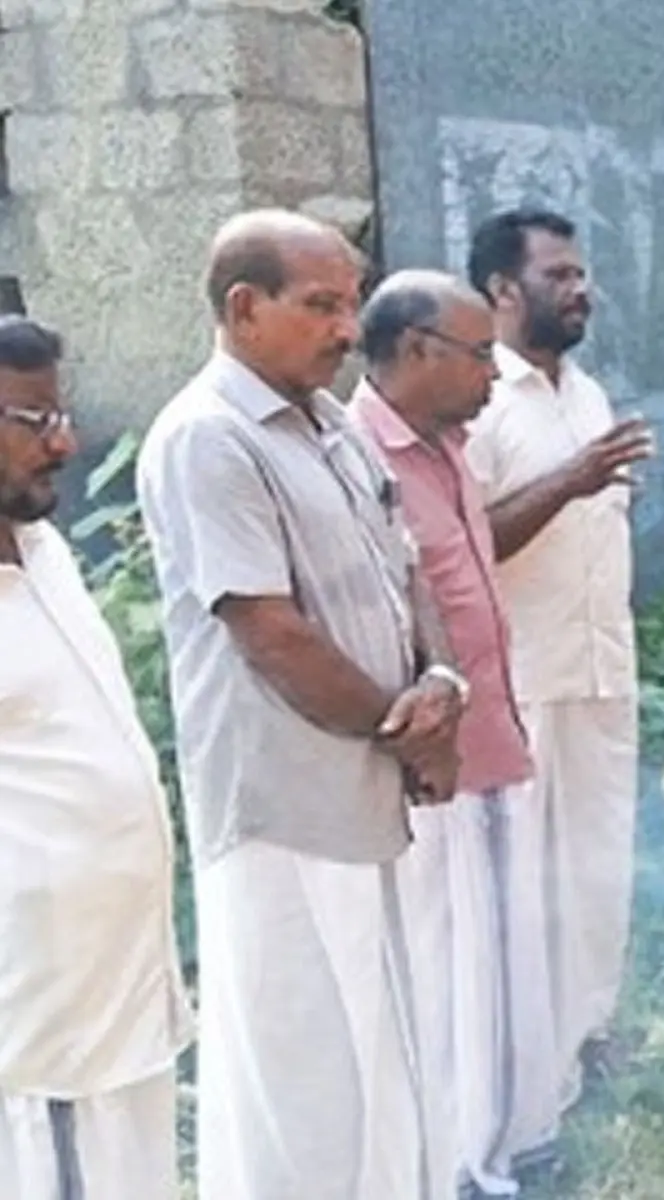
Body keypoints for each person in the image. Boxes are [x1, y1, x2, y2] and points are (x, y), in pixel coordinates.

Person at [138, 209, 465, 1199]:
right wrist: (403, 735)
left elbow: (407, 570)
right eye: (320, 304)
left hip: (368, 794)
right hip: (288, 805)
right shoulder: (209, 439)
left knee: (387, 1056)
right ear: (244, 308)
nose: (345, 328)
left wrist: (442, 688)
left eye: (348, 303)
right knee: (304, 1079)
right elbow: (271, 634)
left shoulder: (331, 424)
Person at [463, 207, 655, 1158]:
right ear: (503, 291)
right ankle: (520, 1087)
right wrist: (576, 480)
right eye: (561, 276)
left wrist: (605, 490)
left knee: (594, 870)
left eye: (582, 275)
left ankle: (583, 1045)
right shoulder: (476, 400)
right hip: (524, 684)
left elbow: (596, 507)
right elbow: (464, 542)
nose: (582, 290)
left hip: (598, 671)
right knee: (522, 891)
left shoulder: (587, 390)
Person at [351, 270, 536, 1196]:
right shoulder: (360, 455)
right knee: (438, 961)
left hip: (493, 740)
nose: (495, 376)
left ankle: (486, 1153)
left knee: (490, 959)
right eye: (479, 355)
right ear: (419, 350)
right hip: (433, 764)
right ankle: (450, 1167)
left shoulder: (447, 443)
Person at [0, 317, 193, 1200]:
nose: (66, 442)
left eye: (60, 415)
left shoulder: (43, 551)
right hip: (46, 1012)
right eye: (33, 422)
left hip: (122, 972)